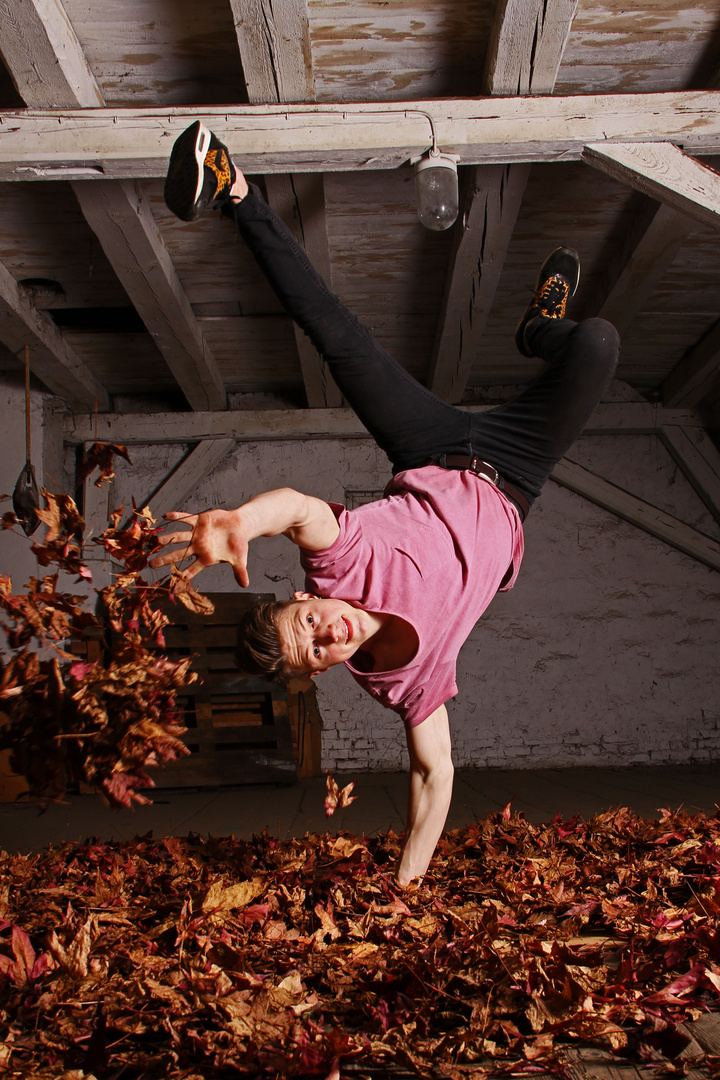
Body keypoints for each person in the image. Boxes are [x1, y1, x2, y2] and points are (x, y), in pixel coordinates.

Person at [152, 122, 620, 885]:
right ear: (330, 669)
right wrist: (405, 888)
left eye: (310, 622)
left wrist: (241, 521)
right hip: (514, 474)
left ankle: (232, 186)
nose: (329, 631)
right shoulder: (403, 679)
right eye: (321, 651)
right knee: (598, 343)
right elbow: (435, 775)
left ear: (307, 597)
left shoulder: (339, 569)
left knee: (338, 338)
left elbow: (302, 508)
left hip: (431, 449)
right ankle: (547, 330)